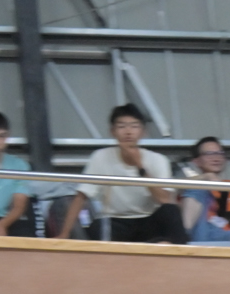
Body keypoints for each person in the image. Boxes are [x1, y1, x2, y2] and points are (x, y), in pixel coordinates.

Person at [54, 104, 182, 242]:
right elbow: (81, 196)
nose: (128, 132)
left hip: (148, 219)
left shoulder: (158, 160)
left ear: (143, 132)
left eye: (134, 126)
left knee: (170, 210)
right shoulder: (100, 157)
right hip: (115, 220)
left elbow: (163, 199)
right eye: (121, 126)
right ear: (112, 131)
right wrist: (64, 234)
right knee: (96, 227)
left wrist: (140, 166)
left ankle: (177, 250)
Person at [178, 137, 230, 240]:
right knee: (196, 187)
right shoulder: (190, 186)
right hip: (198, 236)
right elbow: (172, 191)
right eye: (209, 154)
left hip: (229, 238)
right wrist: (206, 177)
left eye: (220, 153)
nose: (216, 158)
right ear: (196, 161)